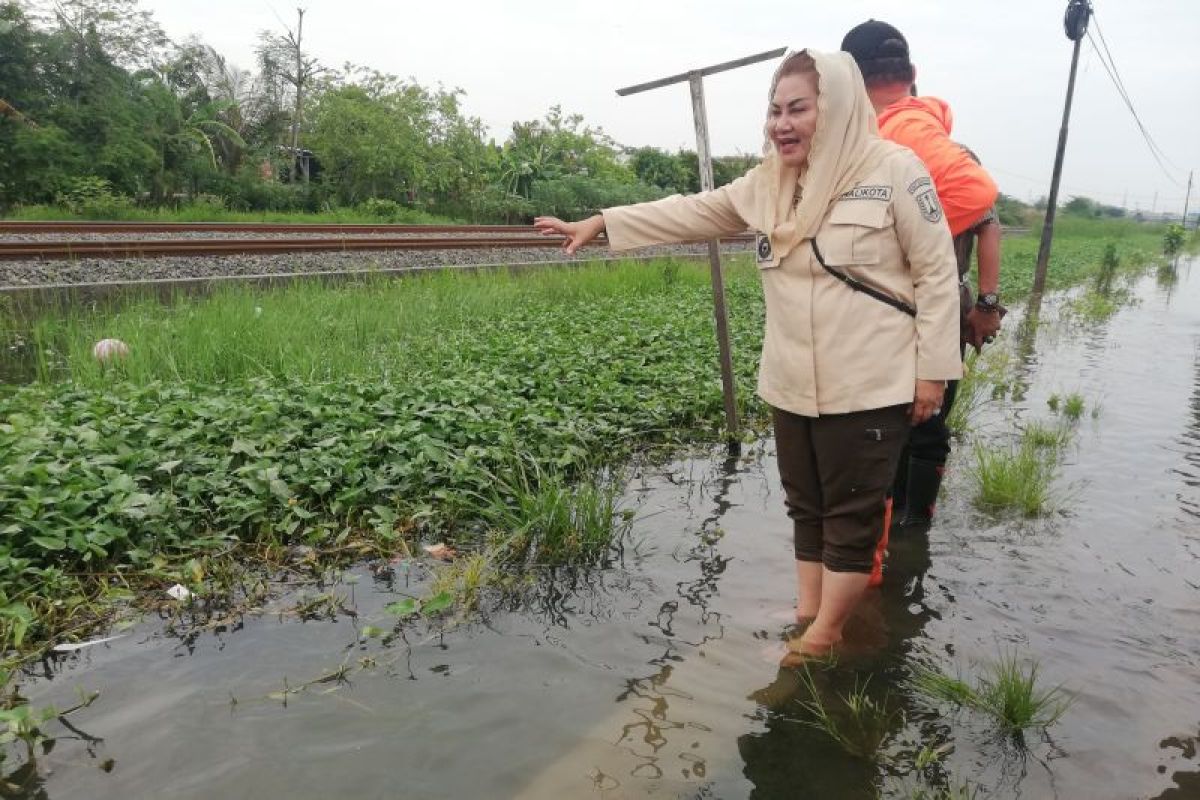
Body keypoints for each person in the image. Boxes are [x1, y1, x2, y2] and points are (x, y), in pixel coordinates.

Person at [533, 49, 962, 656]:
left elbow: (938, 273)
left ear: (835, 109)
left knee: (853, 511)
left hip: (869, 381)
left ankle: (826, 635)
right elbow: (691, 212)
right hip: (792, 380)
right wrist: (603, 221)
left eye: (799, 109)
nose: (781, 124)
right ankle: (810, 613)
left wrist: (934, 373)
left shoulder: (895, 169)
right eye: (774, 110)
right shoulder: (769, 184)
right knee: (807, 505)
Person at [841, 21, 1004, 536]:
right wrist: (987, 303)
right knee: (926, 427)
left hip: (882, 311)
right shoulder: (949, 152)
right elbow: (989, 221)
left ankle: (889, 538)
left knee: (875, 429)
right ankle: (910, 537)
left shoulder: (863, 148)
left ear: (848, 80)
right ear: (912, 74)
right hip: (942, 309)